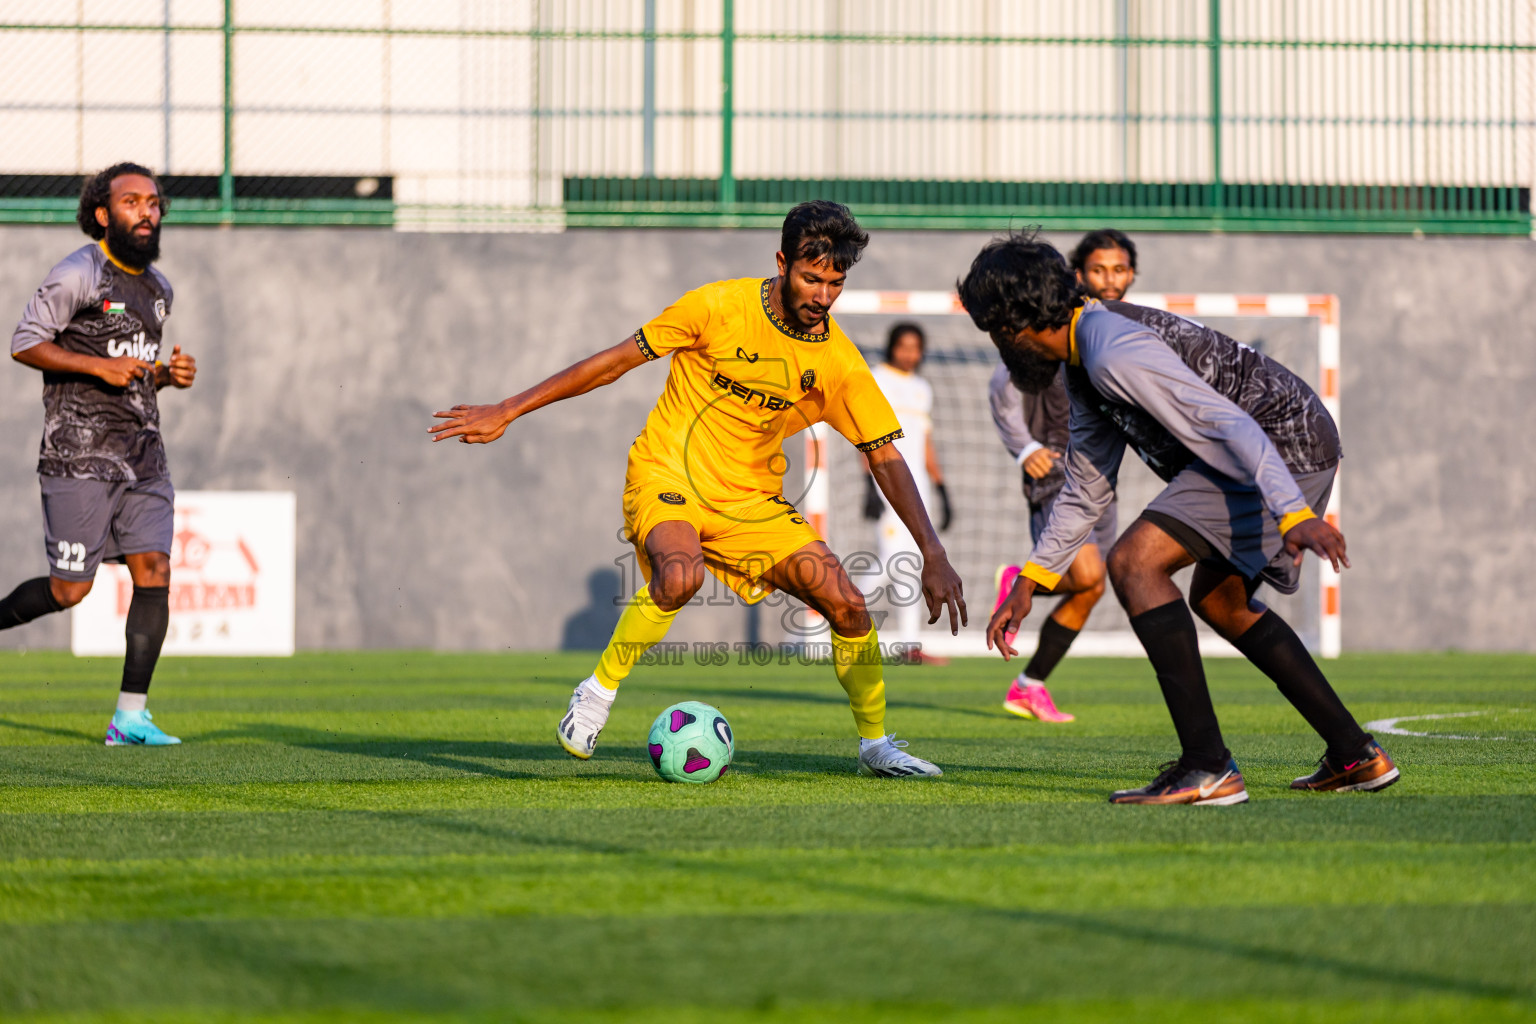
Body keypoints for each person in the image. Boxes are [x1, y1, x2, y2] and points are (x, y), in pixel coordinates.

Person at [431, 201, 966, 778]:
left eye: (835, 284)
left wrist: (933, 553)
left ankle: (876, 745)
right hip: (669, 474)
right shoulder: (716, 306)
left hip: (751, 503)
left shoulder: (838, 362)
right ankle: (597, 693)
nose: (823, 295)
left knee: (848, 604)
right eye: (812, 279)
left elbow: (885, 456)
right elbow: (613, 363)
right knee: (681, 576)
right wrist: (508, 409)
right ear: (783, 262)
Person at [961, 231, 1398, 804]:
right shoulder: (1080, 363)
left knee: (1135, 562)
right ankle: (1354, 754)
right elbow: (1087, 487)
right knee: (1220, 601)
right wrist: (1032, 579)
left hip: (1280, 445)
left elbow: (1229, 424)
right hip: (1278, 446)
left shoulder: (1109, 346)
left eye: (995, 331)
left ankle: (1207, 766)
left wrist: (1291, 511)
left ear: (1018, 320)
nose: (999, 345)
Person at [3, 162, 197, 746]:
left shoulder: (159, 290)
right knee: (71, 591)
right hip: (78, 455)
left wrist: (164, 374)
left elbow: (131, 373)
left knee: (155, 571)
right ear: (102, 214)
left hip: (143, 457)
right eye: (132, 201)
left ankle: (130, 716)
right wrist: (97, 365)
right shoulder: (79, 272)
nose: (147, 211)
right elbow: (24, 343)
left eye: (155, 202)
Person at [987, 229, 1138, 722]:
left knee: (1093, 585)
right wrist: (1024, 447)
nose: (1109, 279)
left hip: (1100, 476)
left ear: (1132, 274)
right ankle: (1019, 579)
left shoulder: (1124, 328)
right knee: (1091, 572)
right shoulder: (1062, 321)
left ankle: (1029, 685)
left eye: (1119, 269)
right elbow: (1003, 380)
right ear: (1079, 274)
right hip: (1055, 470)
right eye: (1098, 269)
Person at [863, 323, 951, 663]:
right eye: (904, 346)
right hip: (886, 483)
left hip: (920, 488)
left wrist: (941, 487)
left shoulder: (922, 388)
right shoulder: (876, 379)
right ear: (891, 346)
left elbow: (925, 441)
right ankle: (829, 617)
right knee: (891, 559)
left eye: (916, 347)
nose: (909, 354)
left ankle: (910, 645)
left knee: (914, 561)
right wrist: (865, 483)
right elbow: (865, 434)